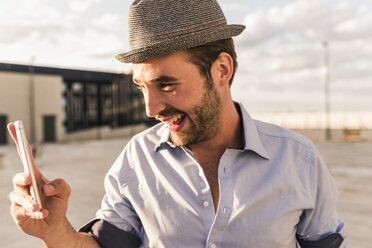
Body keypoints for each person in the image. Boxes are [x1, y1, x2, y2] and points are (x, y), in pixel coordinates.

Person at [8, 0, 345, 247]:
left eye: (166, 85)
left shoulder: (299, 159)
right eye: (141, 87)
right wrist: (54, 231)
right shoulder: (137, 158)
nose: (151, 108)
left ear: (222, 70)